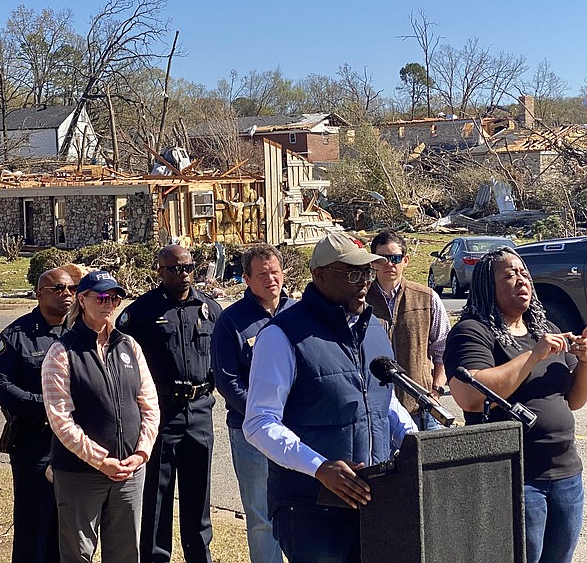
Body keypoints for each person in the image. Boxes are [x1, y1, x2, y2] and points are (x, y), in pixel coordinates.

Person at [243, 233, 416, 562]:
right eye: (352, 274)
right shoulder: (282, 336)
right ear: (319, 276)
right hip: (311, 506)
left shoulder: (373, 329)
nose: (363, 284)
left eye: (366, 274)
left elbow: (383, 402)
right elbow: (259, 422)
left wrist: (414, 444)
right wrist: (319, 467)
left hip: (374, 500)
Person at [443, 247, 587, 563]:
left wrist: (586, 361)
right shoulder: (472, 332)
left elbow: (574, 400)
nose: (522, 280)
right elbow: (469, 395)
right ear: (486, 286)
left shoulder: (544, 328)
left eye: (524, 273)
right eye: (510, 275)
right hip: (515, 478)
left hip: (565, 475)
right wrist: (533, 355)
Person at [42, 270, 160, 562]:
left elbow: (149, 404)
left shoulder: (129, 346)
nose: (109, 304)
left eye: (115, 297)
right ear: (82, 300)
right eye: (102, 297)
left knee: (125, 554)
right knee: (78, 554)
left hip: (129, 472)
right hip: (81, 475)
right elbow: (60, 419)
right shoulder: (62, 352)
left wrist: (142, 452)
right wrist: (100, 460)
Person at [118, 245, 222, 563]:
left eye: (189, 267)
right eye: (176, 269)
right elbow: (122, 366)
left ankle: (199, 556)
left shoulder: (210, 309)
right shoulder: (140, 314)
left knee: (198, 499)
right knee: (157, 498)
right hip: (161, 416)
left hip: (201, 412)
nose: (184, 273)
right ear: (160, 272)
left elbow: (223, 358)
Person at [210, 244, 294, 563]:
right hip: (251, 433)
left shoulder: (299, 314)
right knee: (261, 518)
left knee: (301, 510)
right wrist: (265, 416)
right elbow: (227, 381)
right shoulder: (231, 321)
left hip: (298, 431)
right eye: (261, 274)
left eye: (275, 272)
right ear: (246, 278)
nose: (270, 279)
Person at [0, 267, 76, 563]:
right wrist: (49, 405)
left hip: (76, 445)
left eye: (71, 289)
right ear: (39, 294)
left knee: (70, 527)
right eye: (58, 288)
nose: (67, 294)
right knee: (34, 524)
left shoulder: (79, 334)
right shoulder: (17, 335)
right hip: (35, 442)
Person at [366, 230, 450, 430]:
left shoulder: (427, 298)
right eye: (382, 258)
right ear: (372, 263)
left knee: (429, 461)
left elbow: (443, 351)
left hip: (421, 409)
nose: (389, 264)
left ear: (406, 260)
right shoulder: (359, 301)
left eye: (395, 258)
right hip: (375, 412)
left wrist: (436, 391)